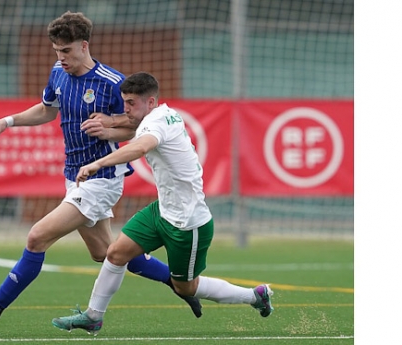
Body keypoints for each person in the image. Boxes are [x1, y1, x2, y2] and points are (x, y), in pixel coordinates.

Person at [0, 12, 203, 329]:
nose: (61, 58)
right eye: (57, 51)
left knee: (37, 237)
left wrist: (110, 130)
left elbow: (138, 128)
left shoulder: (112, 83)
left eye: (67, 51)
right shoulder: (58, 74)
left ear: (84, 46)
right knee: (106, 253)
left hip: (101, 179)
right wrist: (7, 122)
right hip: (74, 175)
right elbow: (47, 110)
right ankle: (176, 283)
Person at [52, 72, 274, 334]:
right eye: (125, 102)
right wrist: (110, 127)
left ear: (151, 102)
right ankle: (93, 316)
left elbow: (141, 146)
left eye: (132, 103)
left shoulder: (155, 122)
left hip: (187, 222)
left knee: (186, 288)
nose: (127, 109)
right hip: (162, 210)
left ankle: (255, 296)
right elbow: (134, 133)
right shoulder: (162, 115)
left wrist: (98, 163)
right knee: (115, 254)